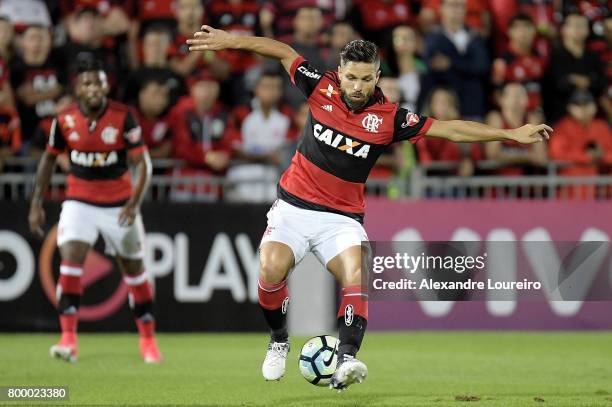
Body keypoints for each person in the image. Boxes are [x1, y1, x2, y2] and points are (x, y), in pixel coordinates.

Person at [187, 26, 551, 390]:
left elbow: (449, 129)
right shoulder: (319, 86)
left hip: (341, 219)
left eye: (365, 78)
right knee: (269, 269)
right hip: (293, 209)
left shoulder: (389, 118)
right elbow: (282, 49)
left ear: (377, 76)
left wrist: (509, 134)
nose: (357, 86)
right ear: (340, 73)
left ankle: (346, 359)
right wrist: (231, 41)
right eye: (350, 77)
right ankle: (279, 340)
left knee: (357, 271)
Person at [27, 59, 161, 364]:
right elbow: (49, 160)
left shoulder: (123, 117)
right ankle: (68, 341)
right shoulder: (64, 119)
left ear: (106, 86)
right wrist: (36, 203)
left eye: (99, 82)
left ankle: (148, 341)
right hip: (79, 201)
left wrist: (134, 202)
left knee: (135, 273)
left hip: (119, 205)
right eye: (87, 83)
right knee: (71, 259)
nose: (93, 89)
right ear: (78, 88)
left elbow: (144, 164)